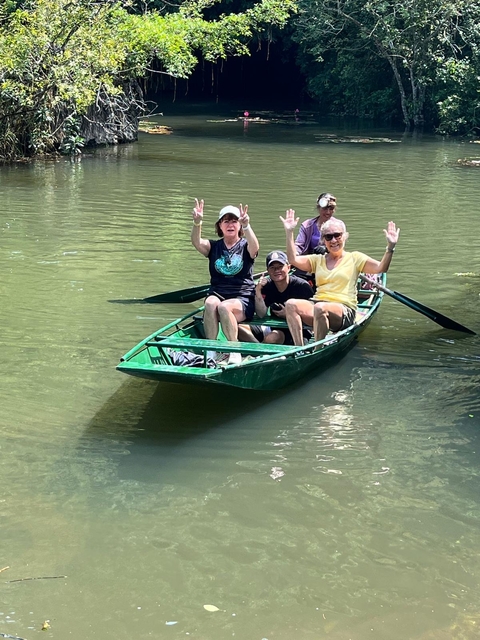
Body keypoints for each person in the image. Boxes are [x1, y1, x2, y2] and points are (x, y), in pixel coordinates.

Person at [280, 210, 400, 346]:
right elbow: (292, 259)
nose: (333, 240)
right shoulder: (318, 260)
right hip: (320, 305)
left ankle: (317, 349)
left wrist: (390, 247)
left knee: (320, 308)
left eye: (337, 235)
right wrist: (289, 232)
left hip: (344, 310)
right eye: (328, 237)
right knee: (290, 304)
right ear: (323, 240)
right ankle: (299, 348)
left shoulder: (355, 258)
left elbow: (381, 268)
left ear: (345, 237)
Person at [191, 198, 259, 364]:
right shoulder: (214, 247)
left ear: (239, 226)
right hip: (218, 292)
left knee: (224, 306)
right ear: (220, 226)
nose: (231, 224)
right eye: (226, 221)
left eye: (234, 221)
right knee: (210, 303)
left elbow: (255, 247)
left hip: (242, 298)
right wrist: (197, 223)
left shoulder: (245, 245)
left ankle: (234, 350)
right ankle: (212, 350)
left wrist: (247, 225)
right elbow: (196, 242)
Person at [238, 250, 314, 345]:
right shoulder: (267, 286)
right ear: (268, 271)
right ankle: (258, 346)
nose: (277, 271)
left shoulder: (302, 286)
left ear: (288, 267)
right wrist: (258, 290)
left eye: (280, 267)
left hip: (299, 330)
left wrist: (290, 315)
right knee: (237, 326)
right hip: (274, 327)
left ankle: (261, 349)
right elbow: (261, 314)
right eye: (272, 268)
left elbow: (314, 317)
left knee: (272, 338)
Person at [295, 192, 337, 256]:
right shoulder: (307, 225)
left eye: (331, 209)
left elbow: (340, 245)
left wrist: (326, 249)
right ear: (318, 208)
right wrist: (294, 253)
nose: (328, 212)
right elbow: (299, 245)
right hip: (310, 260)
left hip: (331, 259)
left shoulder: (338, 225)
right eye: (325, 208)